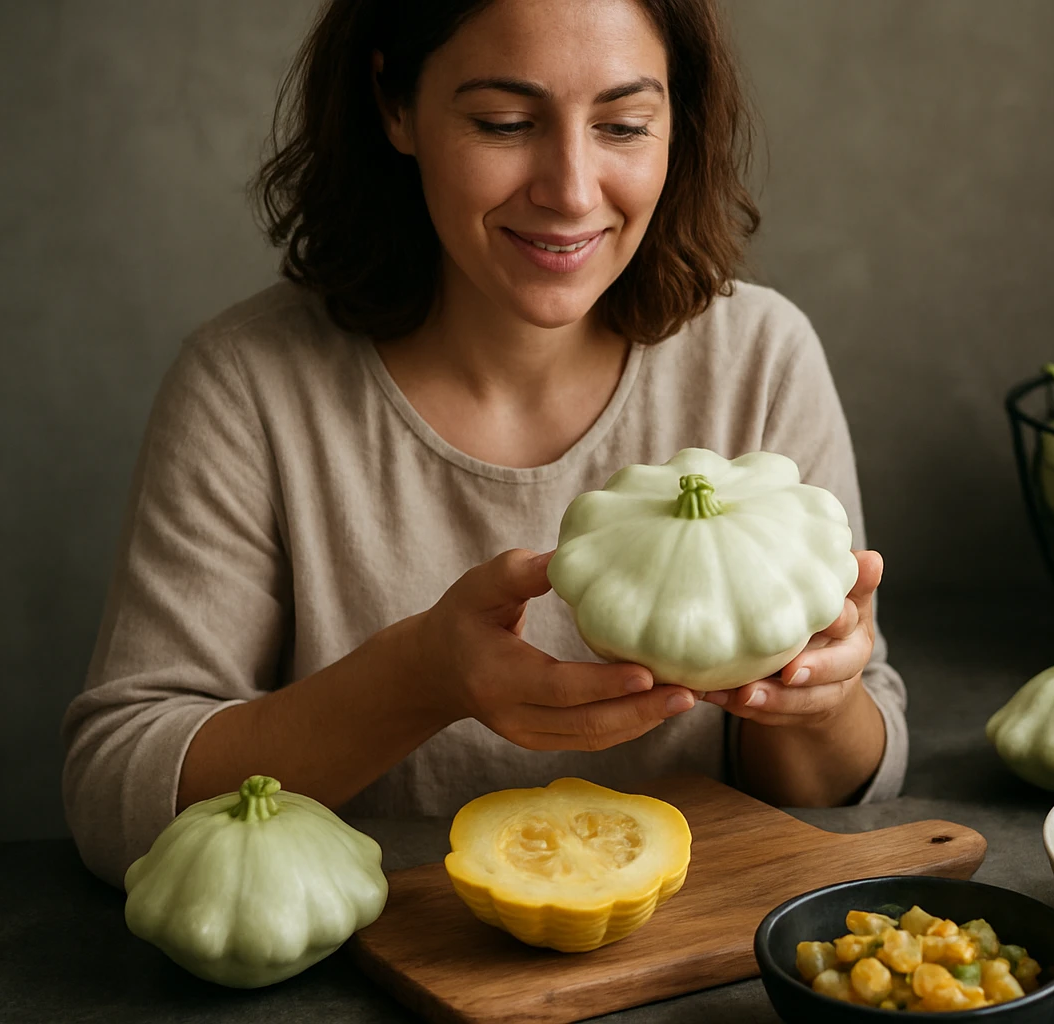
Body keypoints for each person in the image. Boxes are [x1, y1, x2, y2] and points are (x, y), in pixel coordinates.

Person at [61, 0, 907, 889]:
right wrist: (420, 680)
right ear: (395, 107)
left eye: (624, 125)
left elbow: (851, 791)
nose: (572, 190)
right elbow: (118, 796)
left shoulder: (758, 359)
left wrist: (815, 702)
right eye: (504, 122)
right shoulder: (248, 384)